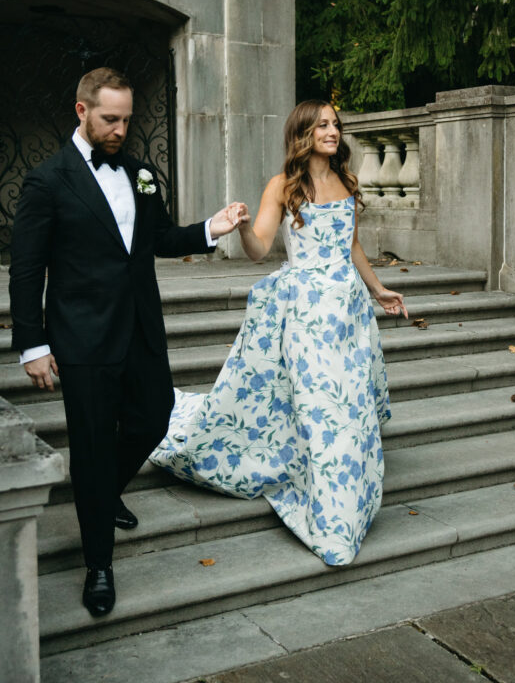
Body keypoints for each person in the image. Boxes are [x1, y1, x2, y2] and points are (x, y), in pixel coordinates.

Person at [9, 67, 241, 618]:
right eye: (110, 119)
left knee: (154, 416)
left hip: (140, 329)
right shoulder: (47, 181)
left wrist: (211, 227)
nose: (120, 129)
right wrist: (32, 345)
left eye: (127, 119)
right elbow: (25, 270)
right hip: (82, 338)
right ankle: (98, 565)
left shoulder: (140, 173)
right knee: (89, 446)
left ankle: (104, 488)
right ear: (81, 110)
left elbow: (159, 238)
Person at [151, 100, 407, 565]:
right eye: (323, 125)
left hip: (348, 314)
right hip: (306, 314)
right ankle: (332, 519)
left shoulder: (347, 182)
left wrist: (378, 289)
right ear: (303, 134)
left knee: (349, 407)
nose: (333, 131)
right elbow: (259, 250)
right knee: (319, 408)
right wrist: (243, 229)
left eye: (335, 125)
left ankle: (349, 498)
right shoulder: (283, 187)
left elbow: (350, 245)